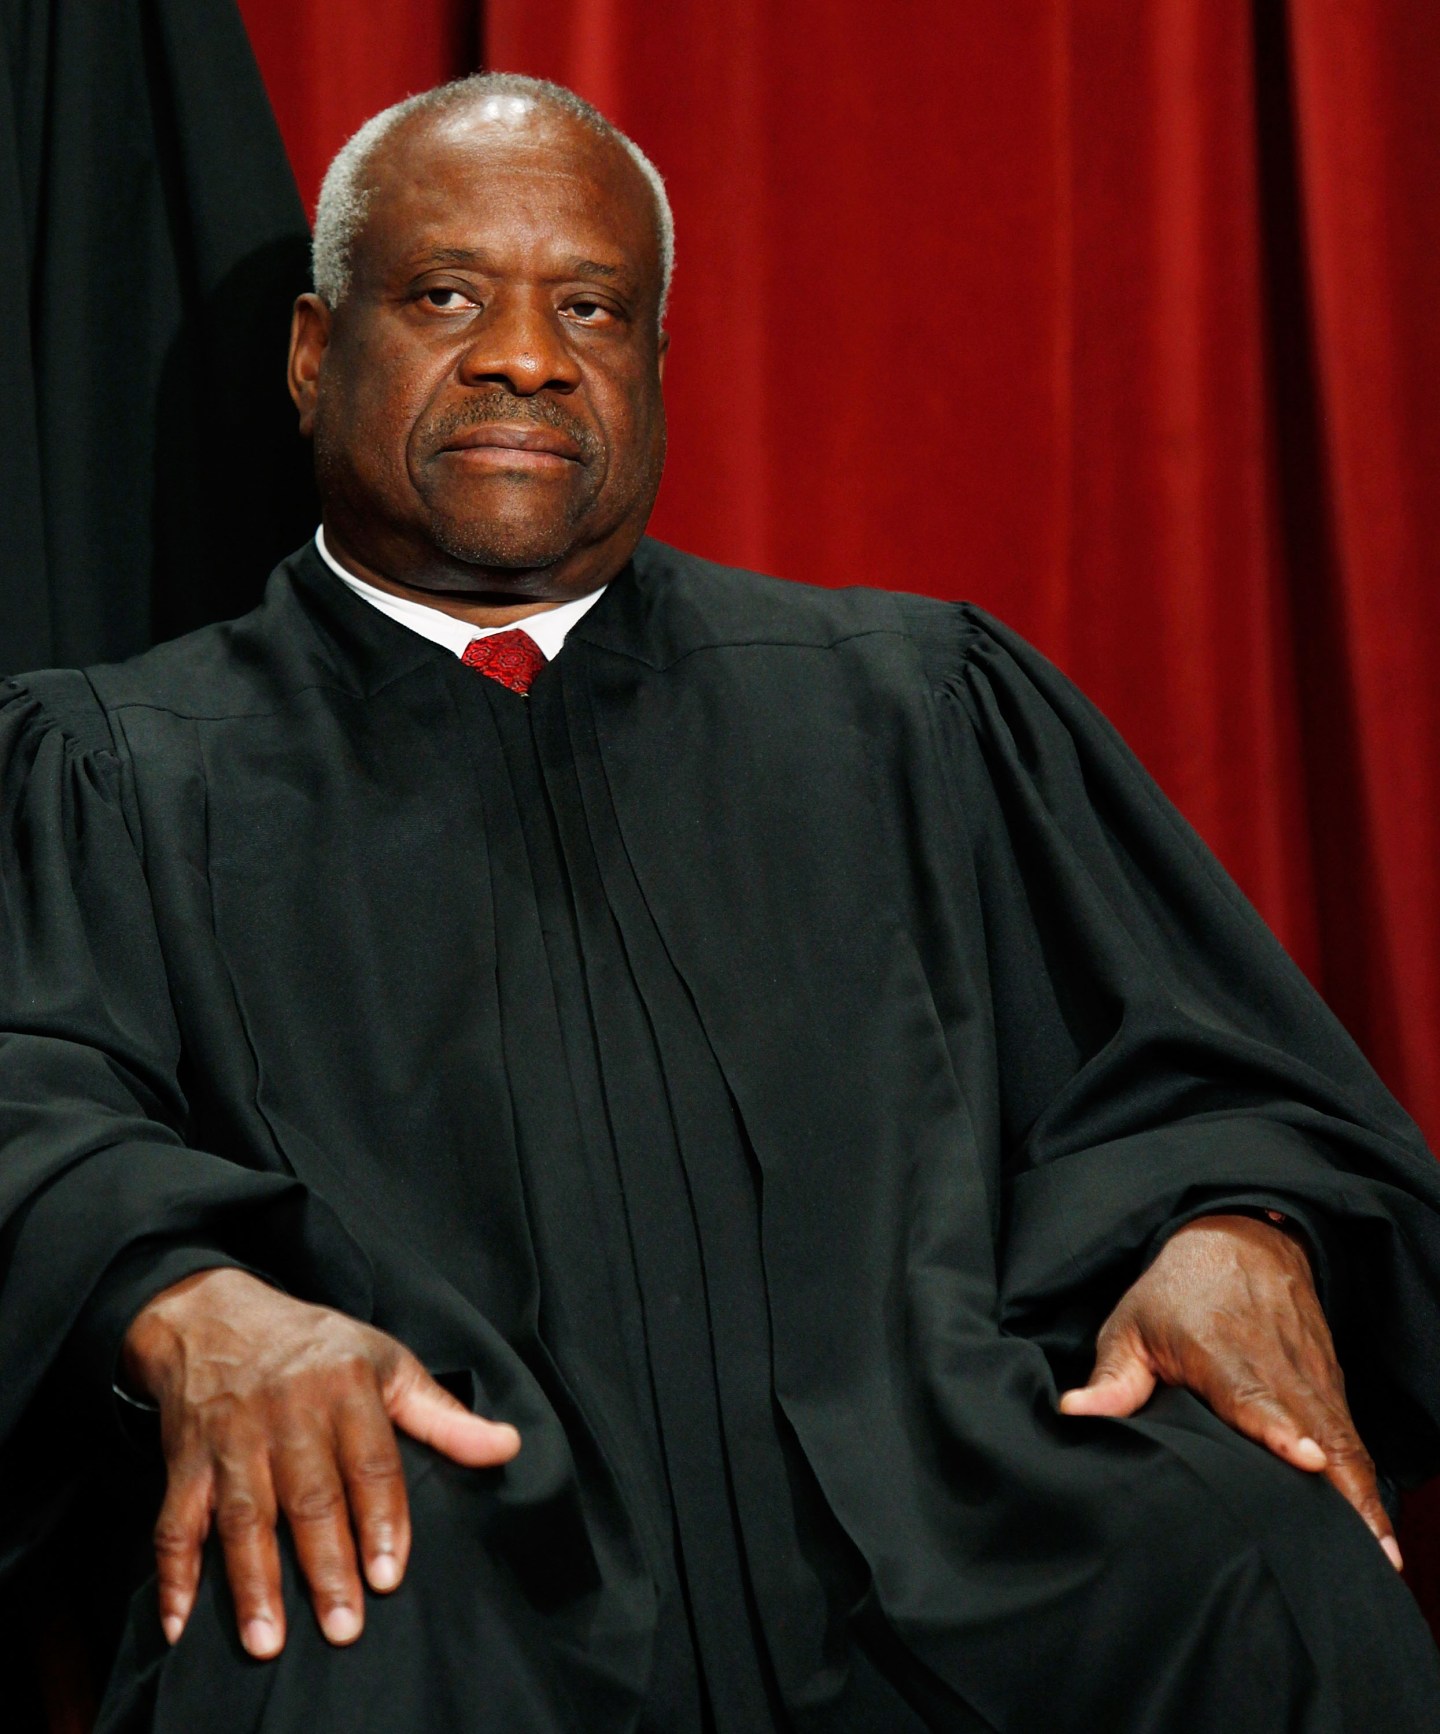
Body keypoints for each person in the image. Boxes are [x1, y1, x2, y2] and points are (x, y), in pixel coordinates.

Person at [2, 71, 1439, 1734]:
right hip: (447, 1558)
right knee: (310, 1619)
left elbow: (1209, 1069)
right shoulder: (118, 771)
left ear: (656, 367)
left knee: (1268, 1572)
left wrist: (1230, 1226)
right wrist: (181, 1299)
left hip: (951, 1528)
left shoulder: (914, 710)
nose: (527, 355)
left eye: (592, 306)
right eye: (449, 294)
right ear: (317, 354)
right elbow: (34, 1104)